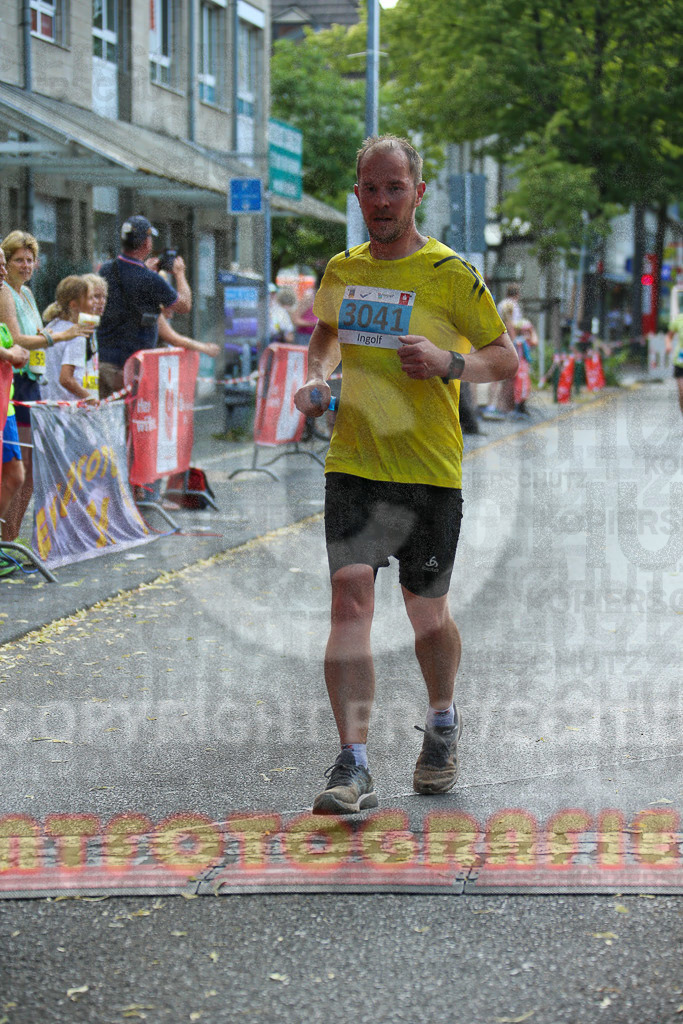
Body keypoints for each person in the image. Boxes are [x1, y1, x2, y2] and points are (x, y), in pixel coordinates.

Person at [293, 134, 518, 814]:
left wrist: (451, 365)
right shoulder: (342, 268)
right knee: (350, 601)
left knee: (424, 618)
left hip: (427, 469)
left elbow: (502, 358)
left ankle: (442, 721)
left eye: (395, 187)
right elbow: (323, 337)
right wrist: (315, 380)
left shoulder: (449, 273)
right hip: (353, 463)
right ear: (356, 192)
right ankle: (352, 762)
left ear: (417, 192)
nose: (382, 200)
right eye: (371, 187)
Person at [0, 231, 95, 541]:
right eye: (18, 260)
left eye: (30, 260)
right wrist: (61, 336)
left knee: (28, 471)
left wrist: (52, 336)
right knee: (20, 470)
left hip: (32, 384)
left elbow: (36, 335)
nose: (25, 266)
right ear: (7, 262)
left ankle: (11, 539)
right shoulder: (5, 294)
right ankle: (6, 540)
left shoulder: (26, 293)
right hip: (15, 385)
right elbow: (16, 340)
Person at [97, 216, 192, 398]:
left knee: (105, 422)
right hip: (130, 368)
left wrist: (146, 271)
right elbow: (184, 305)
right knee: (130, 423)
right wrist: (180, 273)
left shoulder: (106, 270)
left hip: (104, 364)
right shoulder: (150, 279)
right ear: (146, 243)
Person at [0, 245, 30, 558]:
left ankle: (4, 543)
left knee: (16, 476)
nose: (2, 271)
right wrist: (10, 353)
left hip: (5, 407)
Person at [40, 276, 100, 403]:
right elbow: (66, 379)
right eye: (90, 298)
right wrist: (91, 399)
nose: (95, 302)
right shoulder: (77, 334)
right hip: (69, 412)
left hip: (49, 408)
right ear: (73, 305)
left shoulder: (53, 325)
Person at [665, 308, 683, 420]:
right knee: (682, 392)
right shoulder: (680, 319)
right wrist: (668, 344)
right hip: (680, 361)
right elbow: (669, 336)